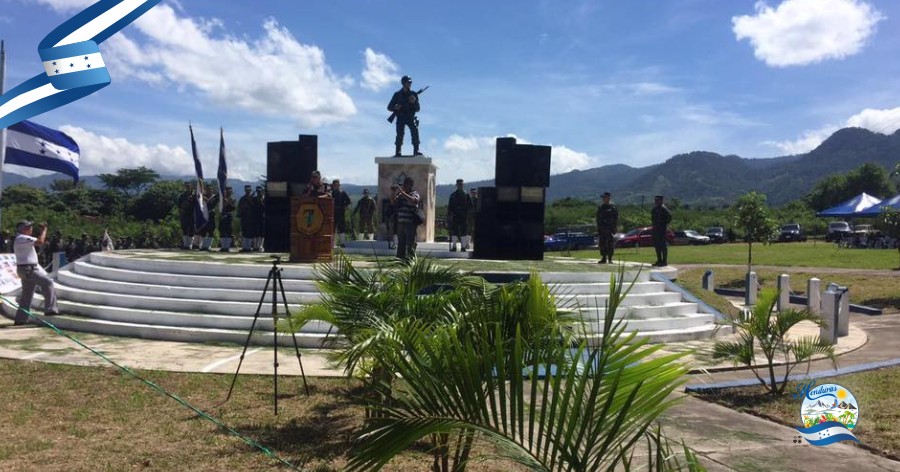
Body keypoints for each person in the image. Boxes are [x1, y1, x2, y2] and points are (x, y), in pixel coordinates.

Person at [12, 220, 58, 325]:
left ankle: (20, 319)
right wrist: (44, 230)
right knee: (48, 283)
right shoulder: (22, 238)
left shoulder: (21, 239)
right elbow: (40, 241)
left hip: (25, 269)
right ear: (21, 229)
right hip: (29, 269)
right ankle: (50, 309)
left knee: (27, 295)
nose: (31, 229)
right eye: (28, 227)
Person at [387, 75, 422, 157]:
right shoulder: (397, 94)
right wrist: (395, 107)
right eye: (408, 82)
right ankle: (398, 151)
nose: (409, 84)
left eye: (410, 82)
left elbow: (418, 109)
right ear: (403, 83)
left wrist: (414, 102)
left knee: (415, 131)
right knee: (400, 134)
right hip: (401, 117)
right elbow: (389, 107)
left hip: (410, 117)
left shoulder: (413, 94)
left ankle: (416, 150)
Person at [391, 176, 420, 260]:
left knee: (410, 242)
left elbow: (414, 200)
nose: (403, 186)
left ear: (410, 185)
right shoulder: (400, 195)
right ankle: (400, 259)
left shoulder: (414, 193)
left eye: (405, 184)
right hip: (401, 222)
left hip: (410, 223)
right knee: (401, 242)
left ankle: (411, 259)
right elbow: (393, 202)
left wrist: (402, 193)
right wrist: (393, 192)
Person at [447, 178, 474, 252]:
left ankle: (463, 247)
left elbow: (471, 206)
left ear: (463, 185)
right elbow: (450, 207)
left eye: (461, 184)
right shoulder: (453, 195)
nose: (460, 186)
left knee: (463, 231)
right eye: (459, 184)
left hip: (464, 216)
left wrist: (468, 215)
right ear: (456, 185)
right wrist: (449, 216)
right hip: (455, 216)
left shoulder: (467, 195)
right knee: (454, 231)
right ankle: (454, 246)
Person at [596, 192, 619, 264]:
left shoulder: (612, 207)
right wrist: (598, 228)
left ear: (608, 198)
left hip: (609, 229)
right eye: (603, 198)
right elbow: (598, 219)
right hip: (602, 229)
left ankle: (610, 258)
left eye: (604, 197)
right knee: (602, 243)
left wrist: (615, 227)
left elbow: (616, 218)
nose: (603, 199)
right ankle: (603, 258)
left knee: (610, 244)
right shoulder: (601, 207)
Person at [650, 195, 672, 267]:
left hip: (661, 230)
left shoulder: (664, 208)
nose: (656, 201)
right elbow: (653, 219)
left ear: (661, 200)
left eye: (657, 200)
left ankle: (664, 261)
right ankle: (659, 260)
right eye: (655, 200)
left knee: (663, 245)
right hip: (655, 229)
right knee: (657, 245)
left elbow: (669, 217)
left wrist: (664, 224)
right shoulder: (654, 209)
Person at [331, 179, 352, 247]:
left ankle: (342, 243)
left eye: (337, 185)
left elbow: (348, 201)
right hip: (332, 212)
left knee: (342, 228)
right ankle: (332, 244)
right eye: (335, 185)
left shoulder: (342, 192)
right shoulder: (330, 193)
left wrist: (344, 207)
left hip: (341, 212)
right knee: (332, 228)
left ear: (339, 185)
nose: (336, 186)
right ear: (333, 185)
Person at [237, 185, 257, 252]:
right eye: (246, 190)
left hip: (251, 218)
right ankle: (244, 247)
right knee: (244, 233)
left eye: (249, 190)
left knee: (249, 233)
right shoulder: (242, 198)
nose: (247, 191)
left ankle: (248, 247)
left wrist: (250, 200)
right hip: (244, 218)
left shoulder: (254, 198)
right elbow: (239, 208)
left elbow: (255, 207)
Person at [177, 181, 196, 250]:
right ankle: (185, 245)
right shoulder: (182, 196)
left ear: (191, 186)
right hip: (184, 214)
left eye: (189, 186)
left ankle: (190, 245)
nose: (188, 187)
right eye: (186, 186)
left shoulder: (194, 195)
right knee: (184, 229)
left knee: (191, 230)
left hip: (192, 214)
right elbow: (179, 206)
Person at [219, 186, 236, 252]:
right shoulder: (222, 199)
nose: (229, 192)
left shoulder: (232, 199)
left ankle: (227, 247)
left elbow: (233, 207)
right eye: (227, 191)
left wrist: (227, 201)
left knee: (228, 232)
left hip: (229, 216)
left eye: (230, 191)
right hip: (222, 216)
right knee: (222, 231)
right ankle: (223, 247)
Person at [253, 186, 266, 252]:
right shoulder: (255, 199)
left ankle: (261, 246)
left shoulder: (264, 199)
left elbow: (265, 207)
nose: (259, 192)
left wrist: (261, 200)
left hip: (262, 217)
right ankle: (256, 246)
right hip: (256, 217)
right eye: (258, 191)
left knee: (262, 233)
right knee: (256, 232)